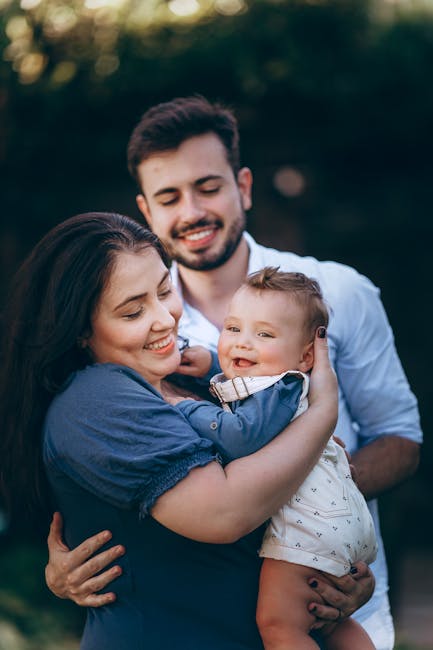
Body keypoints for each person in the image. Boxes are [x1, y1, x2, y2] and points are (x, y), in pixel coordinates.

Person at [44, 96, 422, 649]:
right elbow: (115, 469)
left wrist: (321, 523)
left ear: (243, 186)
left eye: (209, 186)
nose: (192, 210)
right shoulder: (154, 337)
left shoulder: (339, 293)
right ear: (146, 212)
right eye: (169, 197)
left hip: (343, 593)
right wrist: (58, 573)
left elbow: (402, 440)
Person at [0, 212, 343, 649]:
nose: (164, 318)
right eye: (133, 311)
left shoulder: (197, 377)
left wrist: (337, 574)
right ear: (81, 330)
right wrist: (323, 410)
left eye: (165, 290)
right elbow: (224, 512)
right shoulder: (95, 400)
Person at [170, 266, 377, 650]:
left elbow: (239, 434)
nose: (242, 344)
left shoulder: (281, 388)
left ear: (305, 357)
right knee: (327, 624)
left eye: (264, 334)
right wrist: (212, 368)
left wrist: (183, 408)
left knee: (279, 625)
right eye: (233, 329)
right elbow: (249, 389)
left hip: (309, 525)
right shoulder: (281, 388)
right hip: (337, 523)